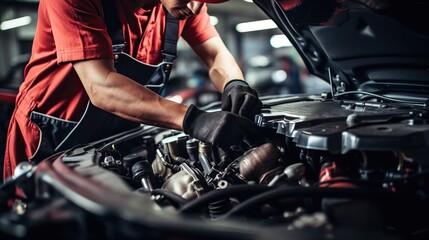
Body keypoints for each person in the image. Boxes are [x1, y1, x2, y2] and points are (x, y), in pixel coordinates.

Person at [3, 0, 264, 181]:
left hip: (118, 138)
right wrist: (194, 120)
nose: (195, 6)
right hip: (50, 138)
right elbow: (101, 85)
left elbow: (216, 54)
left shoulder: (181, 6)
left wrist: (234, 84)